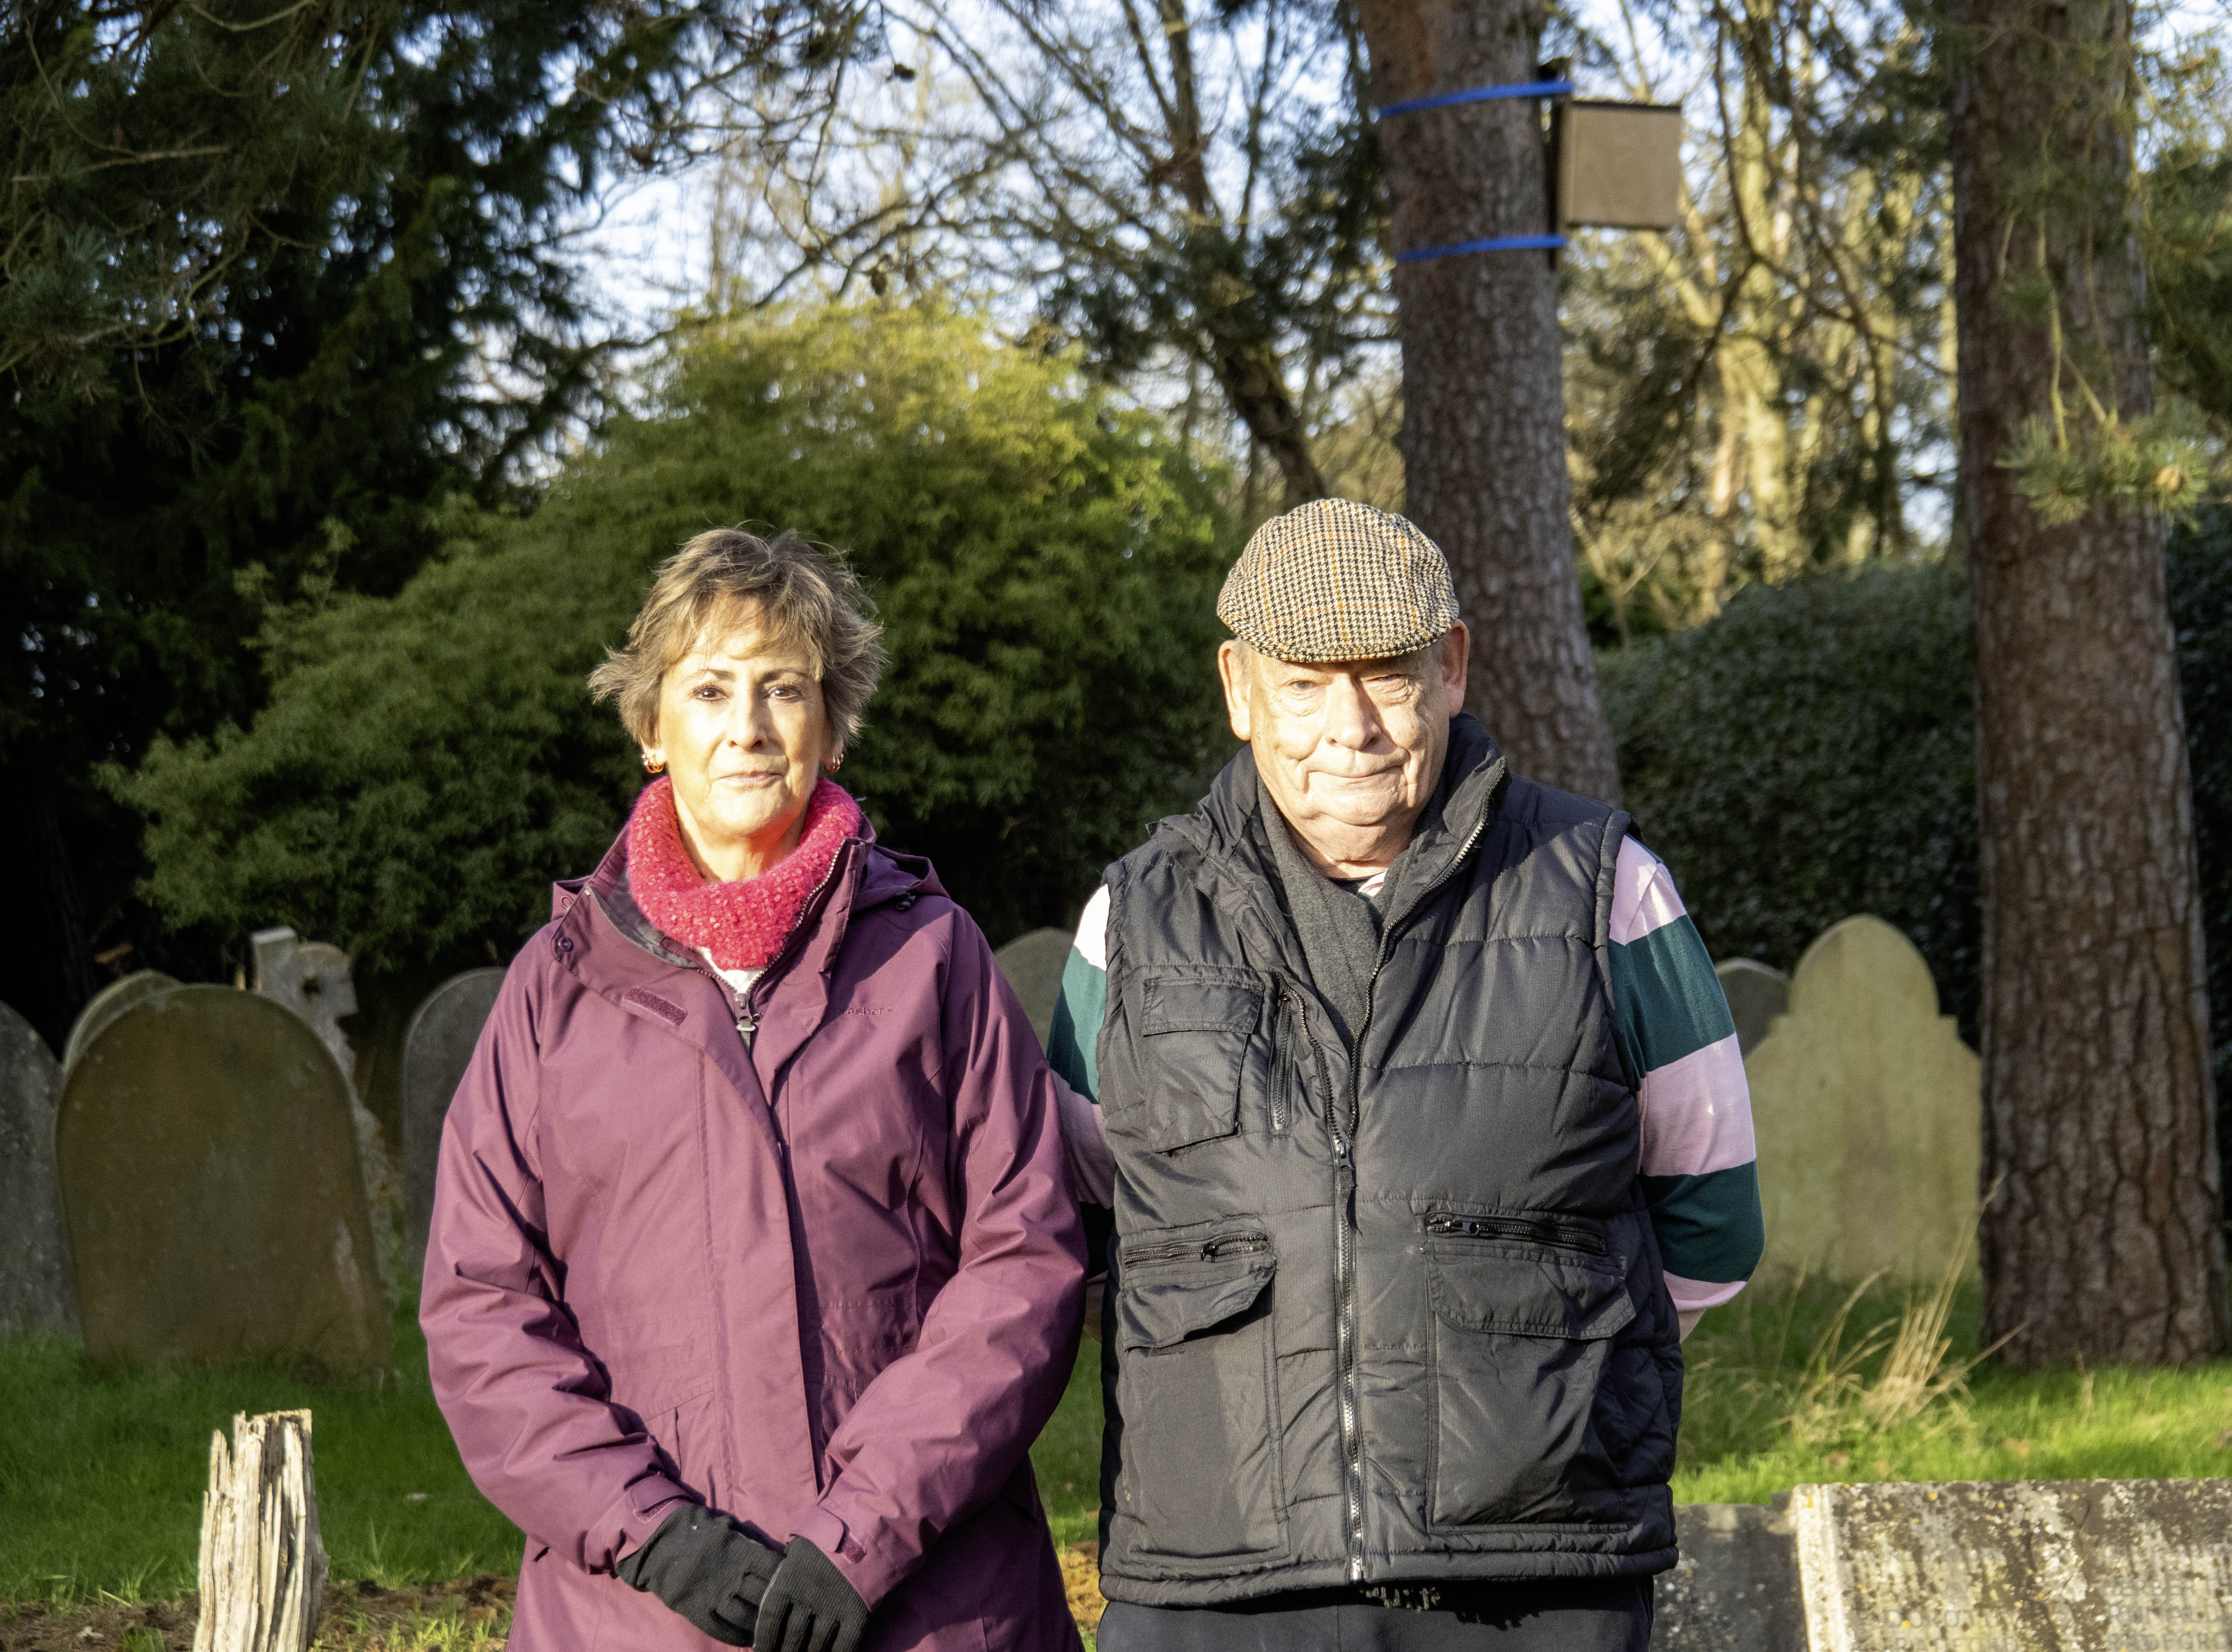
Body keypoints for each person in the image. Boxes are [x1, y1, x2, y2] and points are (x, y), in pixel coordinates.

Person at [1046, 500, 1764, 1651]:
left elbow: (1712, 1216)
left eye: (1387, 678)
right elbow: (1076, 1223)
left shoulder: (1610, 892)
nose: (1353, 728)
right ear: (1237, 687)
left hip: (1533, 1581)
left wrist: (1548, 1378)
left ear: (1454, 668)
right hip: (1210, 1584)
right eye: (1303, 685)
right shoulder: (1130, 922)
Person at [422, 528, 1087, 1652]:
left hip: (930, 1606)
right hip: (638, 1615)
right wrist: (654, 1535)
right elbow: (483, 1312)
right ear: (650, 726)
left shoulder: (934, 958)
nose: (748, 727)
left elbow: (1025, 1263)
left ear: (832, 723)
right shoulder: (555, 991)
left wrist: (860, 1536)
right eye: (711, 689)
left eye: (785, 689)